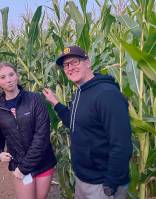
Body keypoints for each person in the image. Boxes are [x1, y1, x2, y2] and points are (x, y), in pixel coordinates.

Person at [43, 45, 132, 199]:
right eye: (66, 65)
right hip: (83, 179)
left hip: (102, 184)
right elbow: (75, 123)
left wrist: (110, 185)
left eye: (74, 62)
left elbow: (122, 145)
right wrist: (56, 103)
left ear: (88, 62)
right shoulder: (81, 92)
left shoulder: (107, 95)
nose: (70, 68)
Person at [0, 62, 57, 199]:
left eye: (11, 74)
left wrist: (24, 168)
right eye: (3, 77)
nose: (8, 79)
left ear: (17, 76)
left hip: (43, 162)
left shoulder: (35, 100)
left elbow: (42, 136)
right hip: (19, 164)